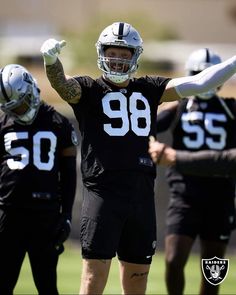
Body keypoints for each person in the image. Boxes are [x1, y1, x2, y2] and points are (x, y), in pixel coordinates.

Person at [40, 22, 236, 295]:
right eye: (113, 52)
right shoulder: (89, 89)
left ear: (135, 56)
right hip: (103, 195)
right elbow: (62, 86)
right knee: (92, 279)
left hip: (141, 195)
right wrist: (51, 62)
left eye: (125, 53)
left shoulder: (150, 88)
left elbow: (201, 81)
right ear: (102, 52)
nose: (118, 59)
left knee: (136, 281)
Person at [151, 48, 236, 295]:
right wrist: (151, 144)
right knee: (173, 259)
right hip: (184, 195)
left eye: (212, 73)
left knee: (213, 271)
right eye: (200, 73)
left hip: (220, 196)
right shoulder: (179, 107)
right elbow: (146, 126)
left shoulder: (230, 108)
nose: (207, 78)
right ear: (191, 75)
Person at [0, 64, 78, 294]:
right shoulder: (3, 124)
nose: (18, 113)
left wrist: (65, 215)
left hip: (45, 213)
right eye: (11, 109)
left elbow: (69, 174)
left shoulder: (58, 123)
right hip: (8, 212)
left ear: (31, 91)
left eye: (21, 105)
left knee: (46, 285)